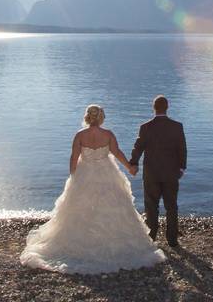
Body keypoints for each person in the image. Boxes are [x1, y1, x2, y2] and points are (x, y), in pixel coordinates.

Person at [19, 104, 166, 273]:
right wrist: (130, 168)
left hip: (85, 173)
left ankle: (79, 245)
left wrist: (73, 177)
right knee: (112, 206)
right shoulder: (108, 134)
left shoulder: (80, 135)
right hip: (107, 173)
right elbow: (117, 153)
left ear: (88, 117)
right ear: (101, 117)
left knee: (80, 208)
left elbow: (74, 157)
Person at [128, 95, 186, 247]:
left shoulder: (145, 127)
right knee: (171, 206)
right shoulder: (177, 126)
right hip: (171, 172)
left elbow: (138, 147)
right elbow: (182, 149)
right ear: (167, 107)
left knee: (151, 205)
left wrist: (133, 163)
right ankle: (172, 240)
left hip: (151, 172)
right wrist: (182, 167)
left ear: (153, 107)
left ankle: (151, 237)